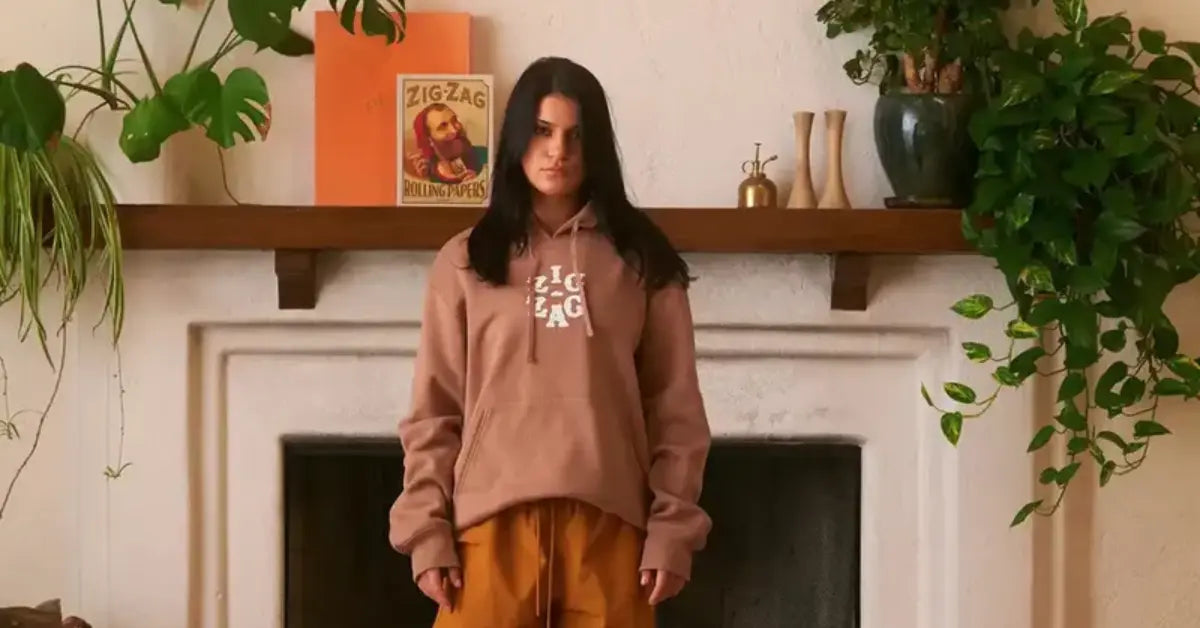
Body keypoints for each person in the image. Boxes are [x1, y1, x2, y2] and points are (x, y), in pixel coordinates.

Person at [388, 55, 712, 627]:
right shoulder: (465, 260)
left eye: (575, 135)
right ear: (518, 136)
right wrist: (426, 530)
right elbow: (434, 411)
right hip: (487, 534)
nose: (558, 150)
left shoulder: (642, 261)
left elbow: (676, 409)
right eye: (542, 130)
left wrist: (672, 528)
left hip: (611, 534)